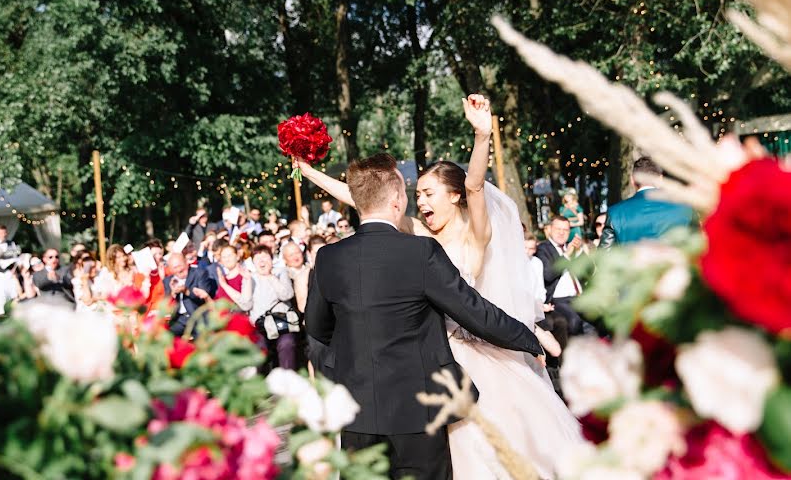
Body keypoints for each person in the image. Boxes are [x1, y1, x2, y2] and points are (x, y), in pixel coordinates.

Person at [298, 95, 583, 479]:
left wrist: (483, 135)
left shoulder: (474, 234)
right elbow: (369, 200)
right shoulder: (416, 238)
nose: (421, 202)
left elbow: (476, 185)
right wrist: (309, 172)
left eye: (429, 193)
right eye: (416, 196)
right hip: (430, 361)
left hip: (477, 355)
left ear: (454, 195)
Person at [599, 156, 696, 248]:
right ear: (660, 179)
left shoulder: (615, 212)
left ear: (632, 180)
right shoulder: (684, 209)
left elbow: (603, 256)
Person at [249, 245, 297, 370]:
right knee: (258, 347)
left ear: (271, 259)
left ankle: (288, 381)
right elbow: (246, 304)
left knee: (287, 344)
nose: (262, 261)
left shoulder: (280, 272)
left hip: (281, 323)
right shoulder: (250, 278)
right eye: (257, 258)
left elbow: (287, 295)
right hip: (260, 326)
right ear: (253, 262)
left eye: (265, 257)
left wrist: (270, 276)